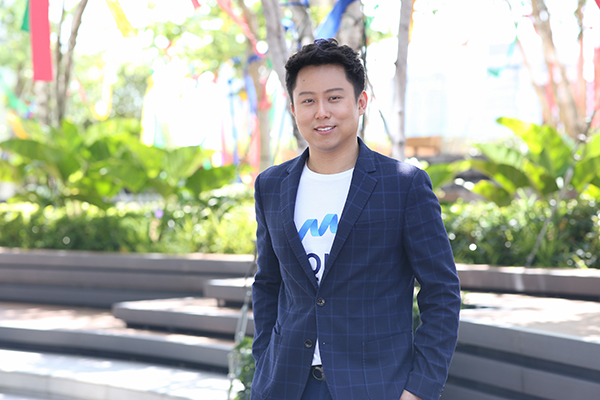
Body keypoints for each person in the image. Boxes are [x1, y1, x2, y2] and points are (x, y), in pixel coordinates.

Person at [251, 38, 461, 400]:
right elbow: (268, 284)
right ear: (293, 108)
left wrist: (419, 389)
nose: (322, 112)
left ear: (361, 102)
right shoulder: (271, 185)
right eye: (308, 101)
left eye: (334, 98)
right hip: (285, 386)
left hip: (375, 386)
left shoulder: (403, 185)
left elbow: (441, 292)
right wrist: (263, 361)